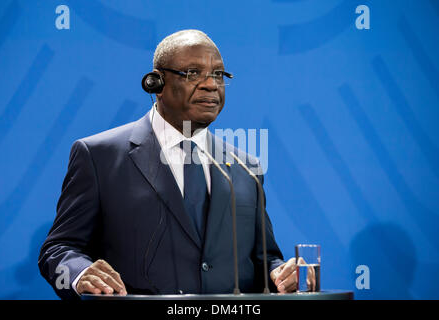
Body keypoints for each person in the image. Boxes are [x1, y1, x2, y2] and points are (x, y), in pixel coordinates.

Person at [38, 30, 301, 299]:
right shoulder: (98, 156)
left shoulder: (247, 167)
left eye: (219, 74)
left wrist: (280, 273)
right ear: (156, 83)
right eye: (193, 73)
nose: (211, 85)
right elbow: (59, 247)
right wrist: (82, 272)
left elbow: (264, 258)